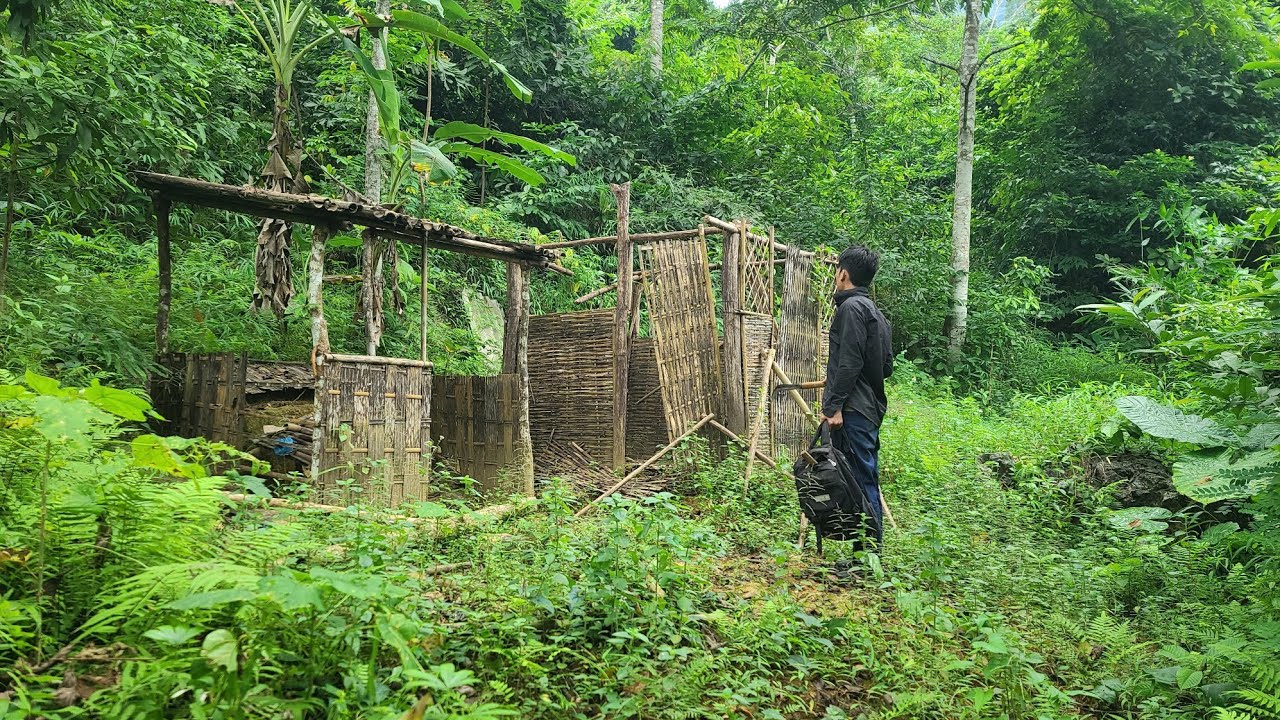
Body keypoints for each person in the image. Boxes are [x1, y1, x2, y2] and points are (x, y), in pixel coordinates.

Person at [820, 244, 893, 549]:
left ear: (843, 274)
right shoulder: (877, 314)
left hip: (853, 410)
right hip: (870, 407)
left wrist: (835, 406)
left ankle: (867, 557)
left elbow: (849, 362)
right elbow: (886, 367)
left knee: (860, 481)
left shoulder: (850, 310)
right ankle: (861, 553)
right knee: (859, 478)